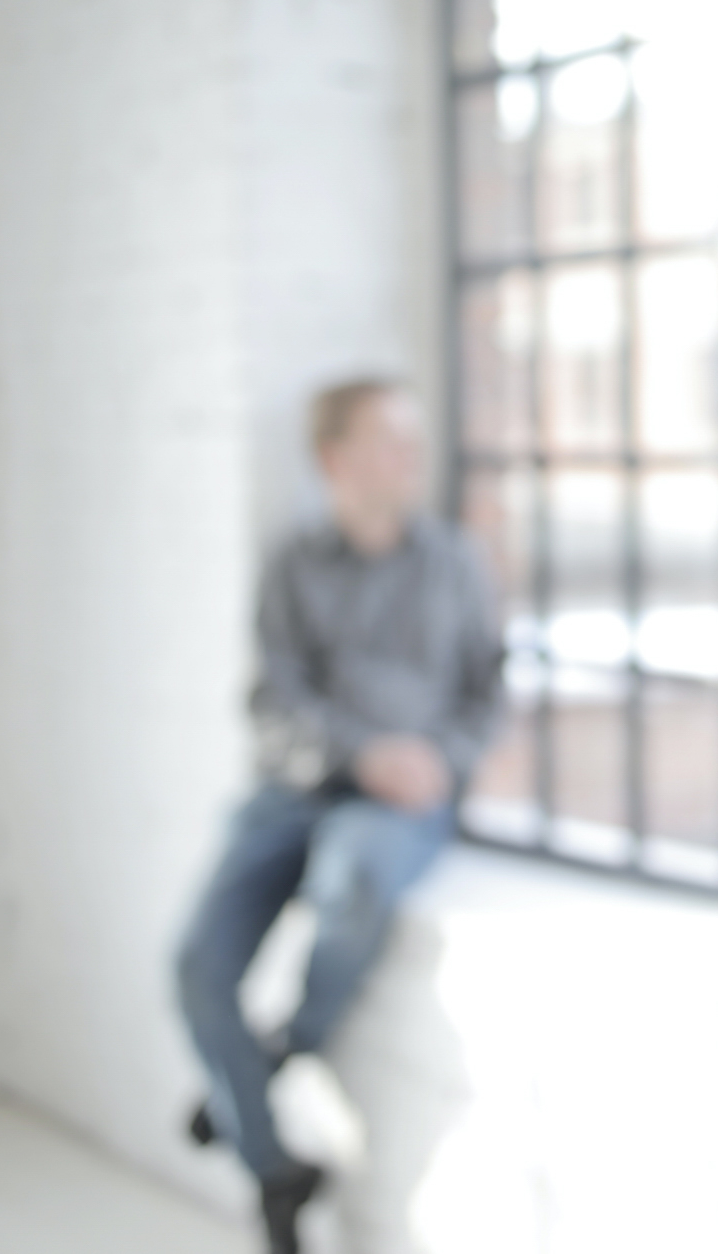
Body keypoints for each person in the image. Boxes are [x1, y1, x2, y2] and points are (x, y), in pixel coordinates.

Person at [176, 378, 503, 1254]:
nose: (411, 457)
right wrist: (362, 753)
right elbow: (273, 702)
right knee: (197, 963)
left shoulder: (455, 563)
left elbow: (487, 692)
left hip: (401, 806)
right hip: (297, 789)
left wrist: (439, 760)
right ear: (335, 458)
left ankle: (274, 1055)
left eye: (414, 439)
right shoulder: (293, 563)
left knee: (349, 879)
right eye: (390, 440)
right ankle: (274, 1167)